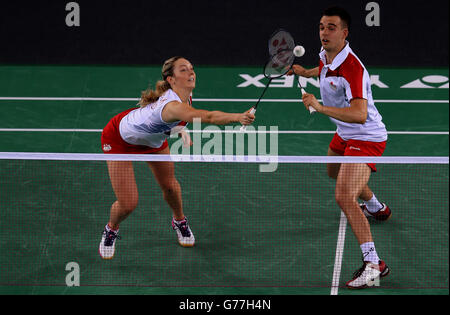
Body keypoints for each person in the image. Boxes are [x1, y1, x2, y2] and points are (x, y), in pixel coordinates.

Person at [99, 56, 255, 259]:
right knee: (128, 204)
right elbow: (206, 117)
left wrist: (179, 128)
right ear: (171, 79)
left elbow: (182, 115)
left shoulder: (184, 96)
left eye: (191, 68)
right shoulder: (172, 105)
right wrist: (237, 117)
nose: (191, 72)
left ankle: (179, 221)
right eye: (183, 70)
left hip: (153, 142)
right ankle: (111, 228)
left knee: (170, 187)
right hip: (120, 139)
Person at [288, 6, 392, 289]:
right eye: (322, 26)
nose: (324, 32)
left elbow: (360, 113)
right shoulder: (327, 55)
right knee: (334, 172)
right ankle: (376, 207)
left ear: (344, 33)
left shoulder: (352, 68)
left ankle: (374, 264)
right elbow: (323, 69)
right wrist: (304, 72)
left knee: (344, 196)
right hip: (345, 132)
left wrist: (319, 108)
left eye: (331, 27)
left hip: (366, 136)